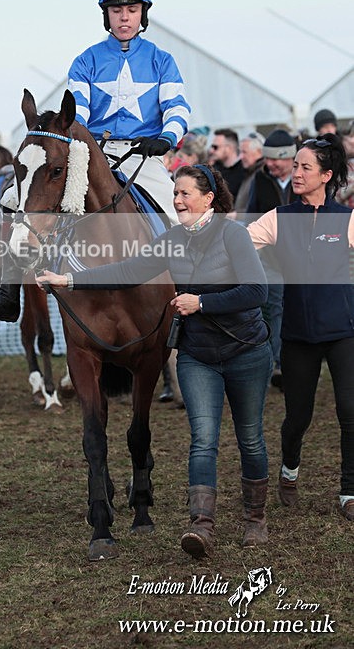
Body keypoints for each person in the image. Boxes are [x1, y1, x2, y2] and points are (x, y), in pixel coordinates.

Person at [36, 165, 272, 557]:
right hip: (198, 354)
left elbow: (257, 291)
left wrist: (202, 302)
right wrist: (68, 281)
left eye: (184, 194)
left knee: (249, 437)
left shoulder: (233, 234)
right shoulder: (172, 239)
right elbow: (129, 270)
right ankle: (201, 526)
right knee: (203, 440)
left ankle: (255, 519)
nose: (176, 200)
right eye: (175, 193)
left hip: (245, 350)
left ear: (208, 199)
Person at [0, 0, 191, 323]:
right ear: (106, 15)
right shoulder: (86, 60)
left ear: (142, 14)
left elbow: (177, 108)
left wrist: (166, 138)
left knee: (178, 214)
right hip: (90, 153)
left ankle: (186, 300)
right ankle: (9, 293)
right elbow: (76, 113)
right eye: (116, 10)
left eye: (131, 9)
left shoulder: (162, 60)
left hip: (144, 156)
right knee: (14, 198)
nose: (124, 17)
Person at [247, 134, 354, 521]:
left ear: (325, 175)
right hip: (297, 336)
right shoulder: (278, 218)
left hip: (343, 332)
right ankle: (289, 471)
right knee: (298, 417)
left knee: (350, 411)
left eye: (306, 167)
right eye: (295, 166)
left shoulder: (346, 219)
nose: (296, 173)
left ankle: (349, 490)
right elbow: (239, 245)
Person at [246, 129, 296, 388]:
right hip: (271, 257)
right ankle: (279, 363)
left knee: (297, 307)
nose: (271, 164)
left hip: (303, 258)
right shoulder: (261, 180)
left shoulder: (305, 177)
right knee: (275, 307)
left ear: (290, 158)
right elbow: (251, 214)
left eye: (277, 159)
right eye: (268, 158)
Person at [231, 132, 265, 218]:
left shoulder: (262, 175)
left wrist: (236, 215)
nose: (241, 157)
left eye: (244, 152)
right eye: (240, 152)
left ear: (259, 152)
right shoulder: (250, 172)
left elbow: (261, 210)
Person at [208, 128, 245, 200]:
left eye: (215, 147)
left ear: (228, 148)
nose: (212, 150)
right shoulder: (214, 169)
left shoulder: (244, 171)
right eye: (212, 146)